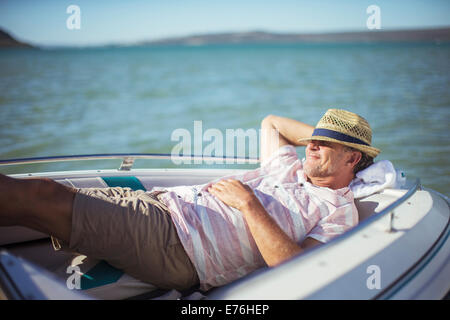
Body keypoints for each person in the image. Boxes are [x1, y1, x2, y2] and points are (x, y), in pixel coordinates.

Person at [0, 108, 380, 292]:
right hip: (162, 205)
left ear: (353, 158)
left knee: (41, 196)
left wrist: (249, 204)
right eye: (313, 137)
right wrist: (320, 141)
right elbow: (272, 123)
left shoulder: (338, 210)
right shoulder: (291, 168)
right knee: (44, 197)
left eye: (329, 142)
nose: (312, 143)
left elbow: (298, 268)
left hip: (177, 243)